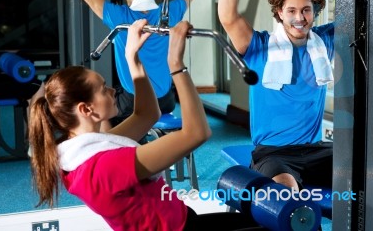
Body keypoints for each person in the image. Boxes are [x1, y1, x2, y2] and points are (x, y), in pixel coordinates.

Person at [28, 20, 261, 231]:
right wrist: (176, 65)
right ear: (86, 109)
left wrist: (133, 57)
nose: (112, 90)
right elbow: (197, 133)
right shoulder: (102, 167)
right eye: (103, 88)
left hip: (182, 220)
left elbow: (147, 114)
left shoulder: (83, 151)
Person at [218, 0, 334, 191]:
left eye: (306, 10)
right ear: (280, 12)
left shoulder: (324, 42)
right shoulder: (259, 47)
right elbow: (228, 16)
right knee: (285, 192)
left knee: (363, 173)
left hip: (317, 149)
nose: (299, 18)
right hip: (273, 153)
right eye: (291, 10)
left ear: (315, 11)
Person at [76, 0, 199, 130]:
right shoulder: (171, 11)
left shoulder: (119, 16)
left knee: (101, 113)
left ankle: (110, 150)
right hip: (165, 101)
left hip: (132, 101)